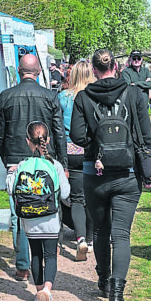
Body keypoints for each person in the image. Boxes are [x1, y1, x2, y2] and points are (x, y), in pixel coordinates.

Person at [70, 48, 151, 301]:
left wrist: (97, 144)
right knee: (121, 235)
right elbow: (145, 132)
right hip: (128, 174)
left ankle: (104, 280)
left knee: (101, 232)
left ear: (93, 70)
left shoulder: (83, 97)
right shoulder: (134, 94)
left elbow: (76, 136)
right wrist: (147, 166)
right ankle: (117, 297)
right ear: (116, 67)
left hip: (94, 173)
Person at [0, 53, 67, 281]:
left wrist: (6, 157)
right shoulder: (49, 96)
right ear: (38, 72)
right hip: (46, 159)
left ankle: (24, 264)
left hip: (15, 160)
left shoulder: (6, 96)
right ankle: (49, 250)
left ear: (18, 70)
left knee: (20, 211)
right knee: (49, 203)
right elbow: (58, 132)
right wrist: (61, 163)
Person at [9, 121, 70, 301]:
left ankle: (37, 294)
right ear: (48, 140)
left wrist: (11, 175)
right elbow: (65, 194)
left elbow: (11, 190)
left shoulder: (22, 165)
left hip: (29, 220)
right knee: (50, 255)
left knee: (35, 254)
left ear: (28, 141)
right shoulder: (55, 165)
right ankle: (47, 290)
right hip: (50, 218)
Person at [58, 60, 95, 261]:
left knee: (77, 199)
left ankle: (80, 237)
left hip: (69, 151)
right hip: (89, 151)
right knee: (91, 197)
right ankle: (90, 238)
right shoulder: (95, 98)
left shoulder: (63, 97)